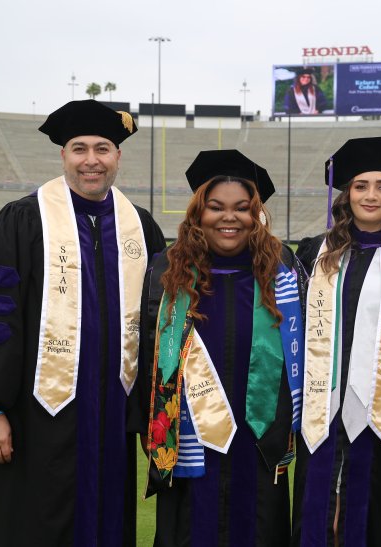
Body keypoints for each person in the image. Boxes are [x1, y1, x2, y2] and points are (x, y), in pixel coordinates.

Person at [0, 99, 166, 546]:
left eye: (103, 148)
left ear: (118, 156)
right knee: (32, 522)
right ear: (63, 155)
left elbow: (160, 328)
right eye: (79, 148)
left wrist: (152, 417)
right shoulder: (22, 220)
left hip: (115, 416)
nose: (91, 160)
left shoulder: (141, 228)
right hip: (35, 416)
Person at [131, 150, 308, 546]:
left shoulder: (282, 271)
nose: (229, 218)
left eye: (242, 208)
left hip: (259, 435)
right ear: (199, 213)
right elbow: (146, 353)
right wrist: (149, 422)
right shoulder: (167, 270)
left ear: (256, 214)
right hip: (189, 436)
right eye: (216, 207)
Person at [292, 136, 381, 546]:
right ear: (346, 194)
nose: (371, 195)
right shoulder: (315, 253)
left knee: (377, 510)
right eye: (360, 185)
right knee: (321, 509)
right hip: (324, 403)